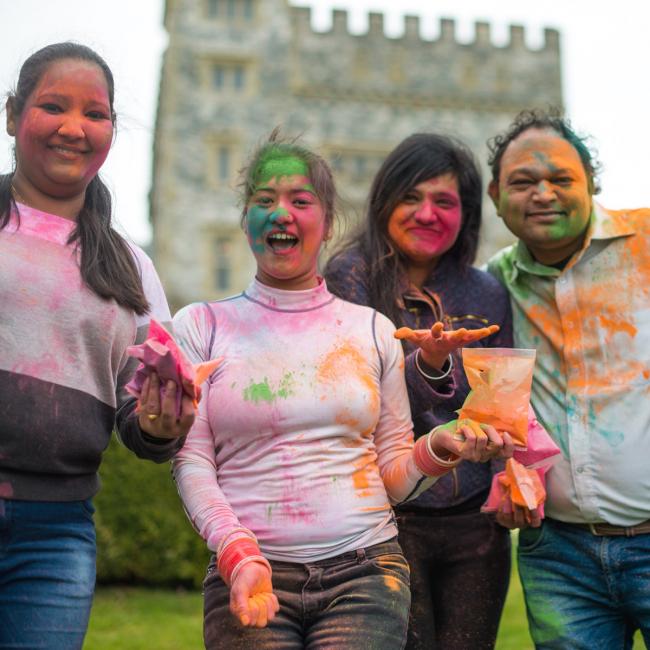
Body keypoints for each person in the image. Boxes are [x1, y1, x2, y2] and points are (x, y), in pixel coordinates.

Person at [172, 132, 513, 649]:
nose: (282, 213)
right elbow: (192, 462)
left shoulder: (373, 329)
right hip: (251, 568)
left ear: (326, 223)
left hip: (368, 570)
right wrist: (236, 550)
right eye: (265, 201)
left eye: (300, 201)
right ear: (245, 221)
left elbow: (393, 471)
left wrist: (440, 447)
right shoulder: (201, 326)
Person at [0, 43, 195, 649]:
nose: (73, 128)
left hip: (54, 534)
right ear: (12, 116)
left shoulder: (131, 268)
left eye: (95, 114)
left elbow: (142, 419)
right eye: (52, 106)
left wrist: (164, 424)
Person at [324, 133, 514, 650]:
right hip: (386, 521)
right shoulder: (349, 278)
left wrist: (508, 475)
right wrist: (428, 366)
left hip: (475, 528)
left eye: (444, 202)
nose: (426, 213)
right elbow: (355, 394)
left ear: (467, 214)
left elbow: (505, 401)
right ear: (384, 200)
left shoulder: (487, 293)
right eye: (411, 197)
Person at [486, 108, 650, 649]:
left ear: (592, 184)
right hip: (558, 557)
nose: (543, 194)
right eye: (523, 182)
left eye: (561, 179)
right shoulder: (494, 285)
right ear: (494, 194)